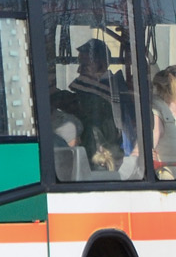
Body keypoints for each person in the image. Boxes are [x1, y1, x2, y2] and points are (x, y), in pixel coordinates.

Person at [50, 39, 124, 171]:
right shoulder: (101, 89)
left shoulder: (105, 90)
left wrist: (53, 94)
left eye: (84, 66)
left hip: (98, 156)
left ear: (101, 66)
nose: (78, 70)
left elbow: (77, 105)